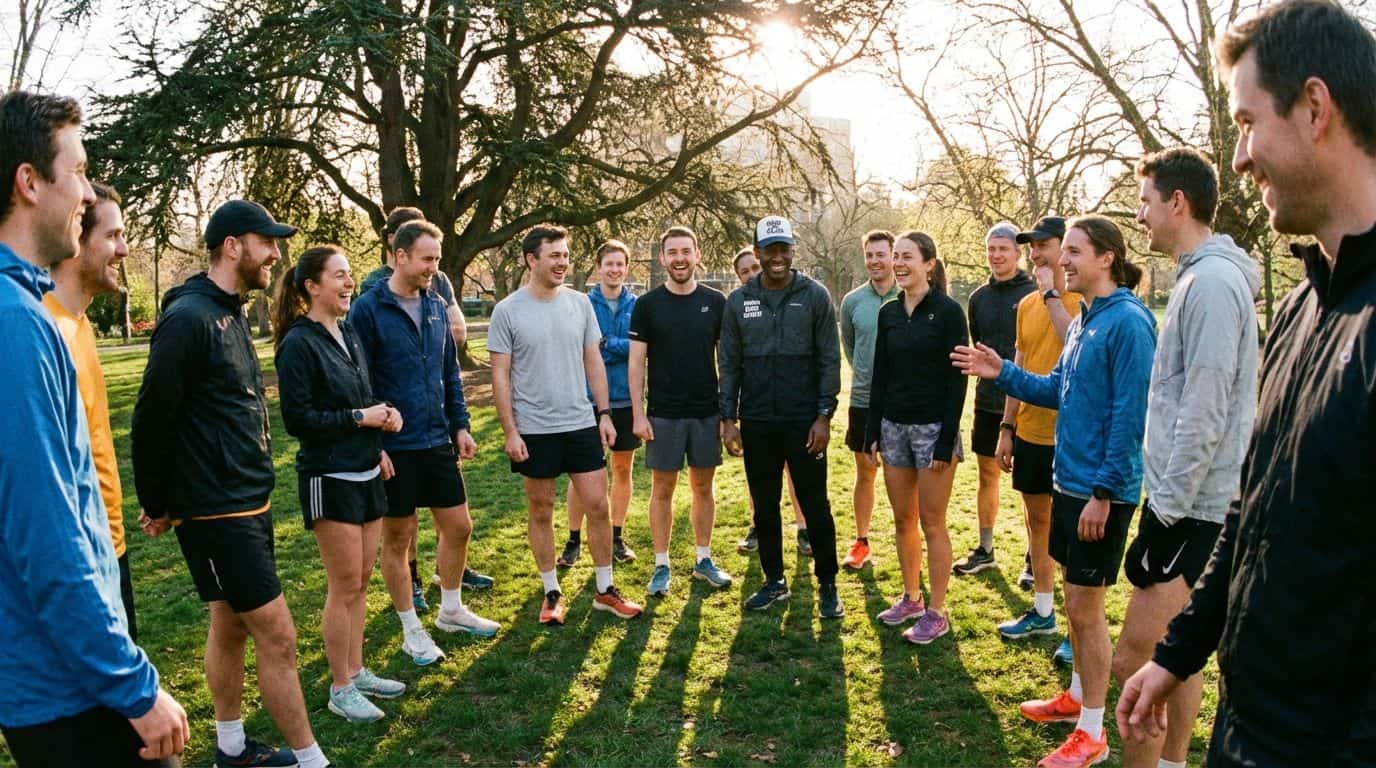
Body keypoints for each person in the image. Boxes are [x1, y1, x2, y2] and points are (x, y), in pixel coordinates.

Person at [1118, 3, 1376, 765]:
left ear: (1316, 108)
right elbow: (1253, 505)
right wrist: (1178, 653)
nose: (1236, 158)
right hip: (1245, 728)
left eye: (1244, 121)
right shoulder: (1302, 303)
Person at [0, 90, 188, 768]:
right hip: (68, 692)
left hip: (59, 677)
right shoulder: (17, 325)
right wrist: (133, 687)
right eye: (77, 172)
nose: (86, 193)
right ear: (29, 182)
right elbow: (47, 537)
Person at [132, 199, 331, 768]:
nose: (275, 254)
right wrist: (159, 501)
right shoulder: (189, 318)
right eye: (266, 242)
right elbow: (151, 416)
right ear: (232, 246)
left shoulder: (230, 309)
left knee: (230, 624)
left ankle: (232, 748)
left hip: (248, 499)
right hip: (217, 509)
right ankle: (311, 760)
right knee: (279, 637)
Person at [954, 215, 1155, 768]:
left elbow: (1128, 416)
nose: (1060, 261)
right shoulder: (1089, 319)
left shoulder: (1130, 323)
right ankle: (1074, 699)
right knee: (1074, 604)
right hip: (1070, 483)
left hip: (1098, 492)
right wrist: (1002, 373)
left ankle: (1092, 732)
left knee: (1086, 612)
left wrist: (1104, 491)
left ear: (1106, 257)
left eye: (1073, 251)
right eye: (1061, 252)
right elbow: (1055, 389)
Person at [1109, 149, 1260, 768]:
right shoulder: (1200, 276)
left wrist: (1163, 511)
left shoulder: (1215, 283)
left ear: (1178, 201)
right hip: (1191, 504)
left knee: (1133, 663)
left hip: (1192, 509)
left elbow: (1206, 407)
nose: (1139, 215)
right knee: (1178, 653)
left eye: (1145, 201)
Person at [349, 221, 500, 665]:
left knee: (459, 527)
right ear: (400, 256)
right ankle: (411, 628)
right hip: (395, 447)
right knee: (399, 538)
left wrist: (462, 424)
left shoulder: (435, 305)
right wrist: (373, 445)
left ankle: (450, 609)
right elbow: (360, 382)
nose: (434, 267)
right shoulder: (368, 309)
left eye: (437, 259)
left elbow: (450, 373)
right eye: (427, 259)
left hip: (437, 440)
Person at [273, 245, 410, 723]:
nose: (349, 283)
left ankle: (357, 670)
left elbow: (364, 396)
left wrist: (382, 428)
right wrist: (361, 417)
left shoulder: (349, 331)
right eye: (338, 276)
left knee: (363, 580)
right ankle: (339, 686)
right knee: (344, 583)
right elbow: (299, 420)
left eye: (350, 274)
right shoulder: (298, 343)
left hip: (368, 469)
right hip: (327, 478)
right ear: (312, 286)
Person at [489, 224, 643, 625]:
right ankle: (551, 591)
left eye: (565, 255)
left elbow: (594, 361)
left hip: (580, 423)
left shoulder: (580, 304)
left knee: (598, 505)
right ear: (531, 259)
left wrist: (605, 414)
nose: (562, 262)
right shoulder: (507, 311)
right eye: (554, 255)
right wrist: (510, 431)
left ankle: (605, 590)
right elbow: (500, 376)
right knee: (541, 509)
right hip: (534, 428)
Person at [719, 215, 843, 617]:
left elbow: (829, 359)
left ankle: (827, 584)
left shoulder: (815, 295)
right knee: (765, 505)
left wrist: (824, 415)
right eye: (768, 249)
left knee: (815, 504)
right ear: (756, 252)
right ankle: (774, 581)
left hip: (804, 422)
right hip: (756, 421)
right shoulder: (739, 301)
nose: (776, 257)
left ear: (793, 250)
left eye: (783, 248)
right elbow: (730, 364)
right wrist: (728, 418)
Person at [42, 181, 139, 640]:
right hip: (77, 568)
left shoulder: (79, 326)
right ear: (76, 240)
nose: (123, 249)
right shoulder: (44, 331)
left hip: (110, 549)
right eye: (113, 236)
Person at [865, 231, 968, 644]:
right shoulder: (888, 313)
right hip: (893, 428)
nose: (899, 263)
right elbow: (880, 375)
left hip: (933, 432)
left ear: (929, 263)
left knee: (932, 521)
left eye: (907, 256)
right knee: (903, 518)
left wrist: (945, 440)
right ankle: (911, 596)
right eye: (896, 256)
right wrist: (872, 430)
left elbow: (958, 381)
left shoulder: (947, 312)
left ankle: (937, 611)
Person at [992, 216, 1081, 669]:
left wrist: (1051, 293)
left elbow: (1073, 345)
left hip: (1070, 437)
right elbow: (1020, 366)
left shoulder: (1085, 300)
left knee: (1067, 536)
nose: (1036, 253)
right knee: (1037, 525)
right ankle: (1043, 612)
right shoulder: (1025, 306)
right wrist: (1007, 427)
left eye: (1044, 244)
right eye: (1033, 246)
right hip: (1029, 431)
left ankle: (1075, 630)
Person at [628, 226, 733, 596]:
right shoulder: (647, 305)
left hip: (706, 412)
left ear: (698, 254)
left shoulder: (716, 302)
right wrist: (638, 415)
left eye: (686, 251)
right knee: (662, 490)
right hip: (663, 414)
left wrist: (728, 413)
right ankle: (661, 565)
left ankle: (703, 560)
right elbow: (636, 363)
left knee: (703, 488)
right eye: (672, 252)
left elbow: (728, 359)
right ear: (662, 258)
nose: (680, 258)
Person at [955, 222, 1036, 576]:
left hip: (1031, 401)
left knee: (1030, 487)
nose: (997, 255)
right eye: (991, 249)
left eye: (1004, 249)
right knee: (988, 475)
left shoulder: (1035, 293)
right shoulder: (978, 299)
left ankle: (1035, 558)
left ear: (1018, 253)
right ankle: (986, 548)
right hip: (988, 402)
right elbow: (979, 343)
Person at [558, 240, 639, 567]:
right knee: (582, 474)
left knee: (622, 468)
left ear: (626, 267)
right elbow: (583, 347)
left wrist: (607, 344)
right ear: (599, 267)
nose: (615, 269)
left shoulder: (637, 304)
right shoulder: (581, 304)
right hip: (586, 399)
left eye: (620, 264)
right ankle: (574, 539)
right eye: (609, 264)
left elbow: (640, 349)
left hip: (626, 399)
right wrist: (616, 347)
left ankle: (617, 536)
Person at [730, 247, 811, 557]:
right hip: (756, 405)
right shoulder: (740, 306)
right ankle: (757, 525)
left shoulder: (796, 299)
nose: (751, 274)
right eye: (744, 272)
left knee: (794, 470)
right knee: (761, 475)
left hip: (792, 406)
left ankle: (804, 527)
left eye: (753, 267)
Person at [838, 230, 898, 570]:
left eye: (881, 254)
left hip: (902, 402)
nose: (875, 261)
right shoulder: (852, 301)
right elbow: (849, 346)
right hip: (863, 400)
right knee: (866, 471)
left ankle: (910, 539)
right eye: (870, 255)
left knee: (902, 476)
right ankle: (861, 542)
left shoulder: (907, 295)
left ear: (893, 255)